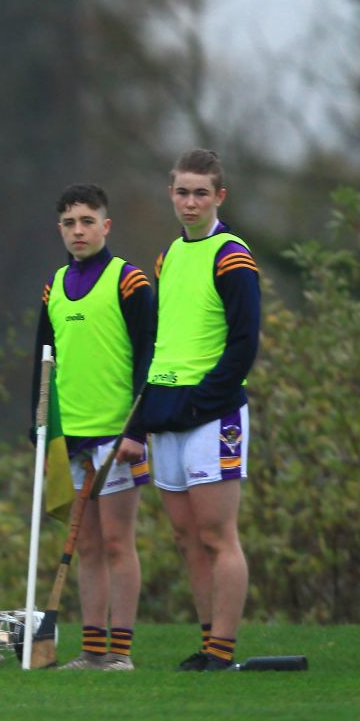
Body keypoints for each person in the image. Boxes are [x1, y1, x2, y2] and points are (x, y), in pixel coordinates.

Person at [140, 150, 259, 671]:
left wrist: (202, 401)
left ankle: (224, 651)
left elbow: (243, 343)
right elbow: (164, 339)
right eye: (182, 192)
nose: (190, 202)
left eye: (200, 193)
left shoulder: (232, 256)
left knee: (216, 535)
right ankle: (207, 642)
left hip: (211, 414)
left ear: (219, 197)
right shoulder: (169, 256)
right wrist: (148, 411)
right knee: (187, 538)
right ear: (171, 193)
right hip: (167, 413)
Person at [31, 183, 154, 671]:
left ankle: (120, 653)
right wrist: (39, 431)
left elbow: (150, 357)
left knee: (119, 542)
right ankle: (92, 650)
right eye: (69, 223)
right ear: (59, 229)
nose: (78, 231)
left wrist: (136, 432)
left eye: (87, 221)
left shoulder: (130, 281)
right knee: (86, 546)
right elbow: (44, 364)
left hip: (116, 435)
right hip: (71, 437)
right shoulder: (53, 286)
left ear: (106, 225)